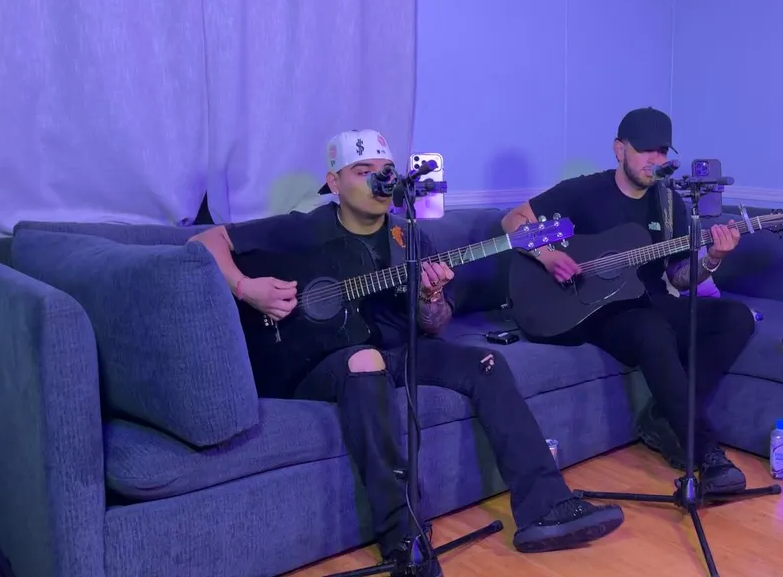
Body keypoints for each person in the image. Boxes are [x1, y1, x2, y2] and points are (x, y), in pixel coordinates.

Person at [190, 129, 624, 561]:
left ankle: (546, 507)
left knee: (488, 362)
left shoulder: (408, 236)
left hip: (399, 351)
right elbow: (204, 241)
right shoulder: (304, 229)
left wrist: (430, 299)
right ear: (335, 182)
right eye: (363, 171)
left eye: (386, 170)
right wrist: (246, 287)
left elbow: (434, 325)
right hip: (312, 360)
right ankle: (403, 538)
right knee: (366, 360)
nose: (379, 180)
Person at [500, 107, 757, 494]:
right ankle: (706, 453)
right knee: (651, 329)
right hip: (594, 309)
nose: (655, 160)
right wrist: (548, 255)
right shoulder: (584, 191)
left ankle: (661, 418)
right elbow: (513, 220)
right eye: (645, 150)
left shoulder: (669, 204)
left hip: (651, 300)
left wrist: (713, 258)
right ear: (620, 149)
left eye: (662, 151)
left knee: (736, 317)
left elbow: (678, 276)